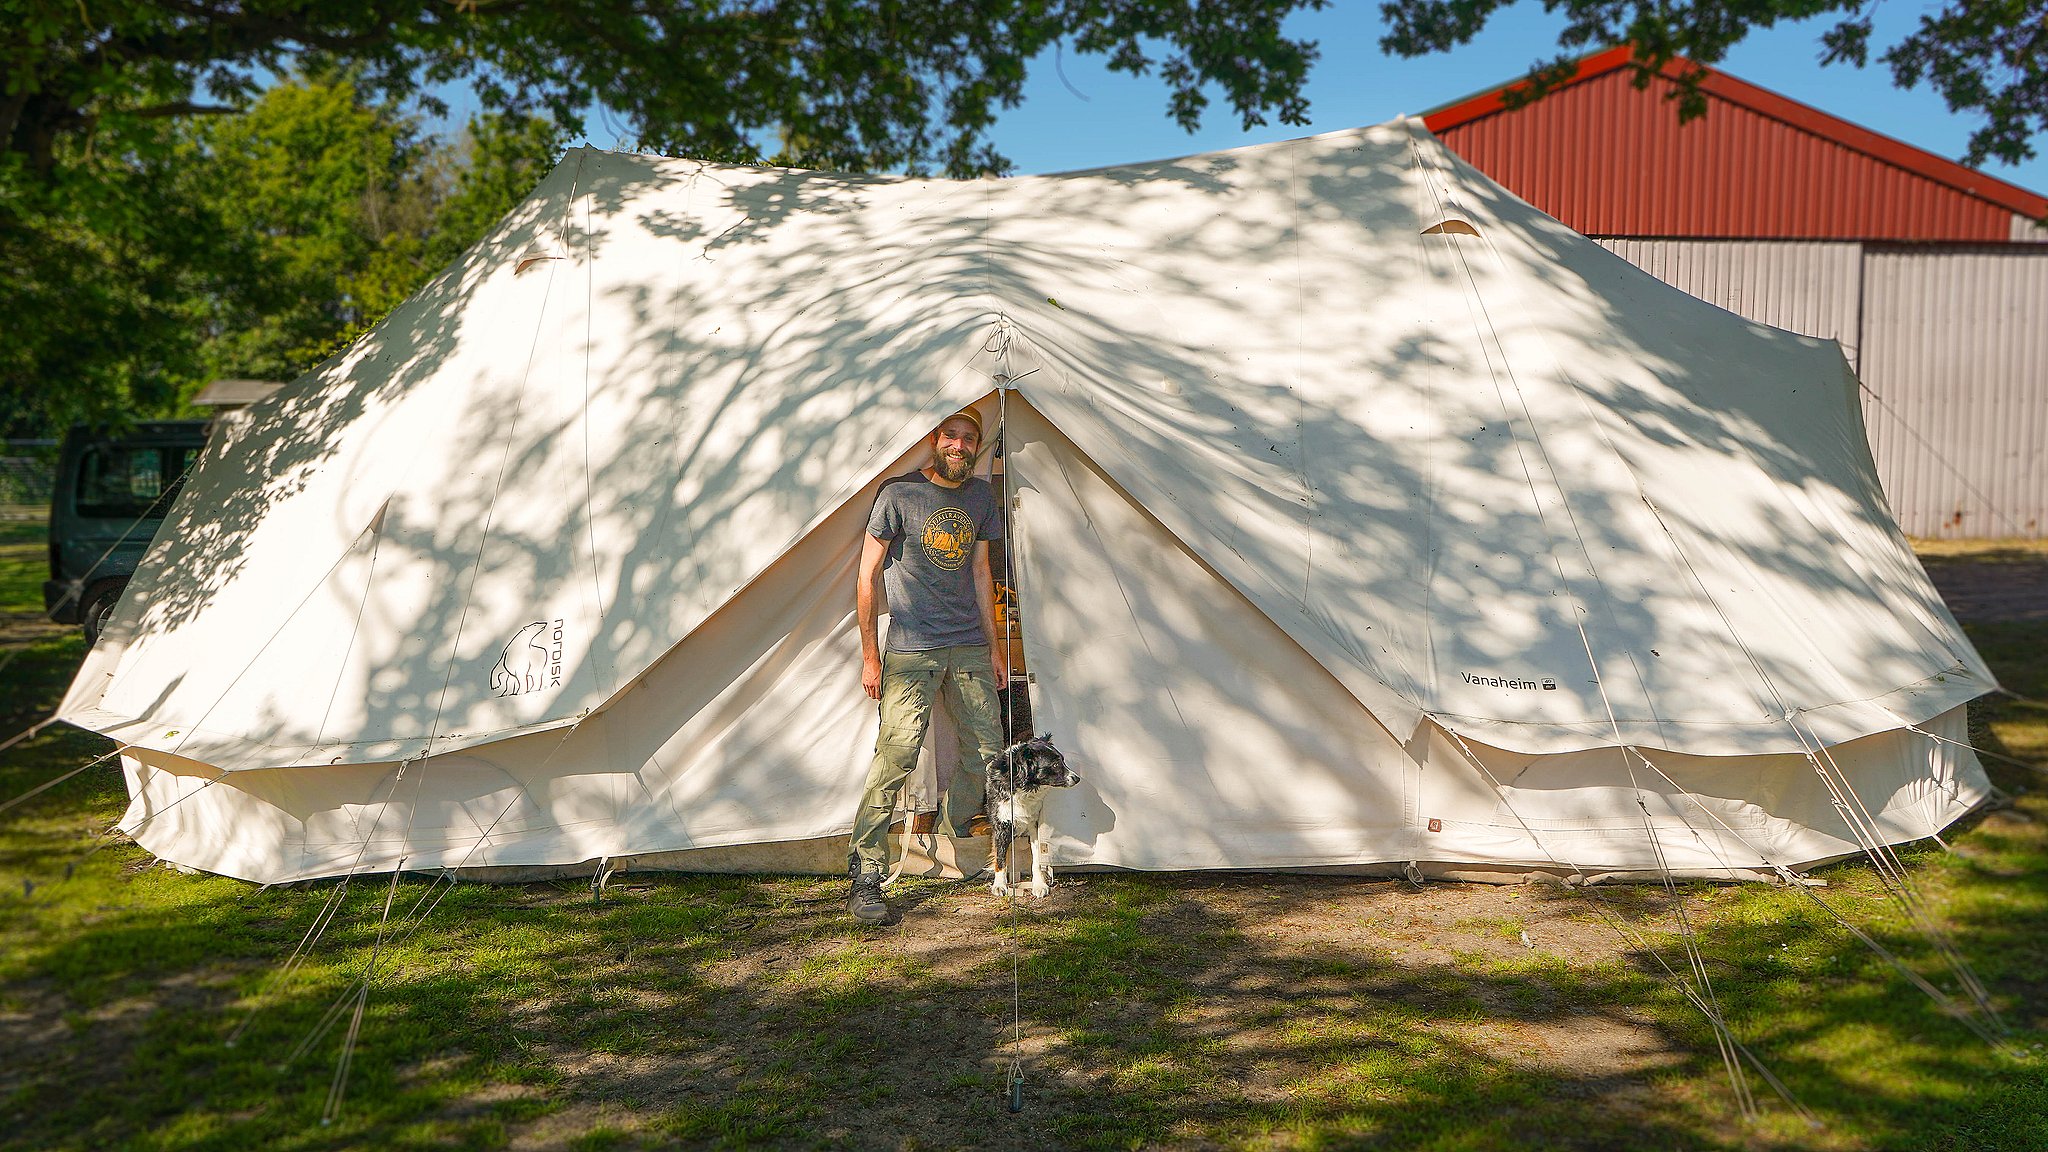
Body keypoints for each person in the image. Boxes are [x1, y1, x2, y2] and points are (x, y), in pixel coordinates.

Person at [847, 409, 1008, 924]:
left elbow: (982, 573)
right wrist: (870, 654)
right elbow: (867, 576)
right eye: (951, 436)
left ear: (976, 446)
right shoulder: (898, 494)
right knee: (897, 754)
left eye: (968, 438)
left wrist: (996, 646)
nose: (959, 445)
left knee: (987, 749)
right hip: (911, 647)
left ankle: (956, 834)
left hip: (968, 647)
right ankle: (866, 868)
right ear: (934, 440)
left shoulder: (982, 497)